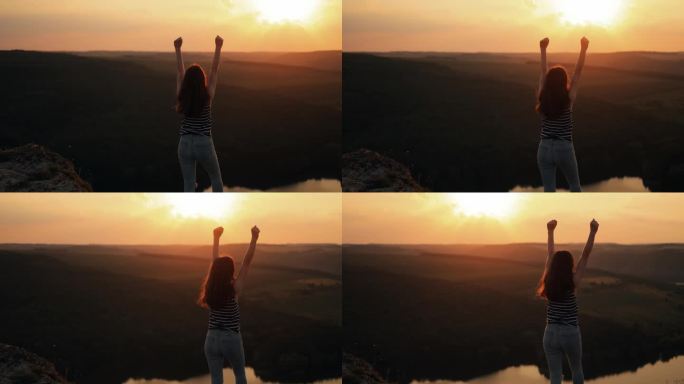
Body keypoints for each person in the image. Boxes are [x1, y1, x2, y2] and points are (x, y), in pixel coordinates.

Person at [537, 218, 599, 384]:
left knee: (555, 375)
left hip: (549, 333)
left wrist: (550, 231)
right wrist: (593, 232)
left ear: (554, 266)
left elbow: (550, 254)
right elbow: (585, 255)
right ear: (570, 264)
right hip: (569, 332)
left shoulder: (549, 280)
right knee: (576, 369)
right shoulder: (572, 281)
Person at [198, 225, 260, 384]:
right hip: (230, 337)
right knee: (240, 375)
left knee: (216, 379)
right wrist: (254, 239)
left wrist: (216, 238)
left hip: (211, 338)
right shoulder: (234, 288)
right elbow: (247, 262)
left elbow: (214, 262)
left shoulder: (211, 288)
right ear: (230, 270)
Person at [536, 37, 589, 192]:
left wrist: (543, 49)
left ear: (548, 82)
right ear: (564, 81)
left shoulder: (543, 96)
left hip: (544, 147)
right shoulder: (568, 98)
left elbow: (543, 72)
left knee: (549, 191)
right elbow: (578, 72)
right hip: (564, 147)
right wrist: (583, 49)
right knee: (575, 187)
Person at [174, 35, 225, 192]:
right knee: (215, 179)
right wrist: (218, 47)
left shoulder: (182, 96)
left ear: (187, 82)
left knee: (188, 183)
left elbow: (180, 72)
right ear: (202, 79)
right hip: (203, 142)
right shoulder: (207, 95)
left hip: (184, 143)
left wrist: (177, 49)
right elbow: (214, 70)